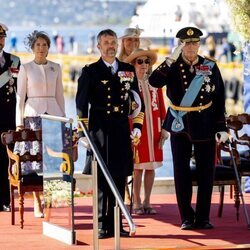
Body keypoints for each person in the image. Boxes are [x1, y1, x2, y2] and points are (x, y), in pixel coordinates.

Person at [149, 26, 229, 230]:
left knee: (206, 172)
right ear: (180, 45)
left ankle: (203, 217)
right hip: (181, 123)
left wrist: (222, 127)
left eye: (194, 43)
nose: (191, 47)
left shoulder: (210, 65)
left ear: (199, 44)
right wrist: (169, 60)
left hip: (205, 123)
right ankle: (186, 217)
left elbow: (219, 98)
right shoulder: (172, 66)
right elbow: (154, 82)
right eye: (186, 43)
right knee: (181, 172)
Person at [76, 29, 144, 239]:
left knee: (120, 177)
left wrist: (137, 127)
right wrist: (82, 134)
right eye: (106, 42)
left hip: (121, 129)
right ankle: (101, 225)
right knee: (102, 180)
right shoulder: (90, 71)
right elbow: (81, 105)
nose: (110, 46)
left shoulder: (127, 70)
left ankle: (117, 223)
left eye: (113, 42)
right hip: (99, 130)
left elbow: (137, 101)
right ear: (99, 46)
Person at [15, 30, 65, 217]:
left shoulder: (56, 67)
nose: (41, 48)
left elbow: (60, 95)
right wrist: (19, 122)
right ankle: (37, 201)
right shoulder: (26, 68)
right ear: (32, 47)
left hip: (53, 116)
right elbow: (20, 98)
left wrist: (64, 120)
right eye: (38, 45)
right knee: (34, 160)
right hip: (32, 117)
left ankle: (50, 200)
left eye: (44, 45)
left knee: (52, 160)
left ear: (49, 47)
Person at [124, 48, 167, 215]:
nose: (143, 65)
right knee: (137, 167)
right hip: (138, 130)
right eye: (139, 61)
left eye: (146, 62)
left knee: (151, 167)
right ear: (134, 64)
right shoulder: (130, 84)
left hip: (154, 128)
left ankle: (148, 201)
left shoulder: (154, 83)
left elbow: (162, 106)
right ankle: (136, 200)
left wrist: (165, 127)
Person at [118, 26, 149, 205]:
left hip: (140, 114)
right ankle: (125, 192)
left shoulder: (142, 61)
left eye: (136, 40)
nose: (133, 43)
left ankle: (137, 196)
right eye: (129, 40)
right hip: (123, 115)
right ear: (123, 42)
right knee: (124, 154)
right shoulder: (119, 62)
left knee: (140, 157)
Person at [0, 23, 20, 212]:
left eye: (2, 37)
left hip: (7, 118)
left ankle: (6, 200)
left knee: (7, 159)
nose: (0, 41)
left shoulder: (14, 61)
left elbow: (20, 91)